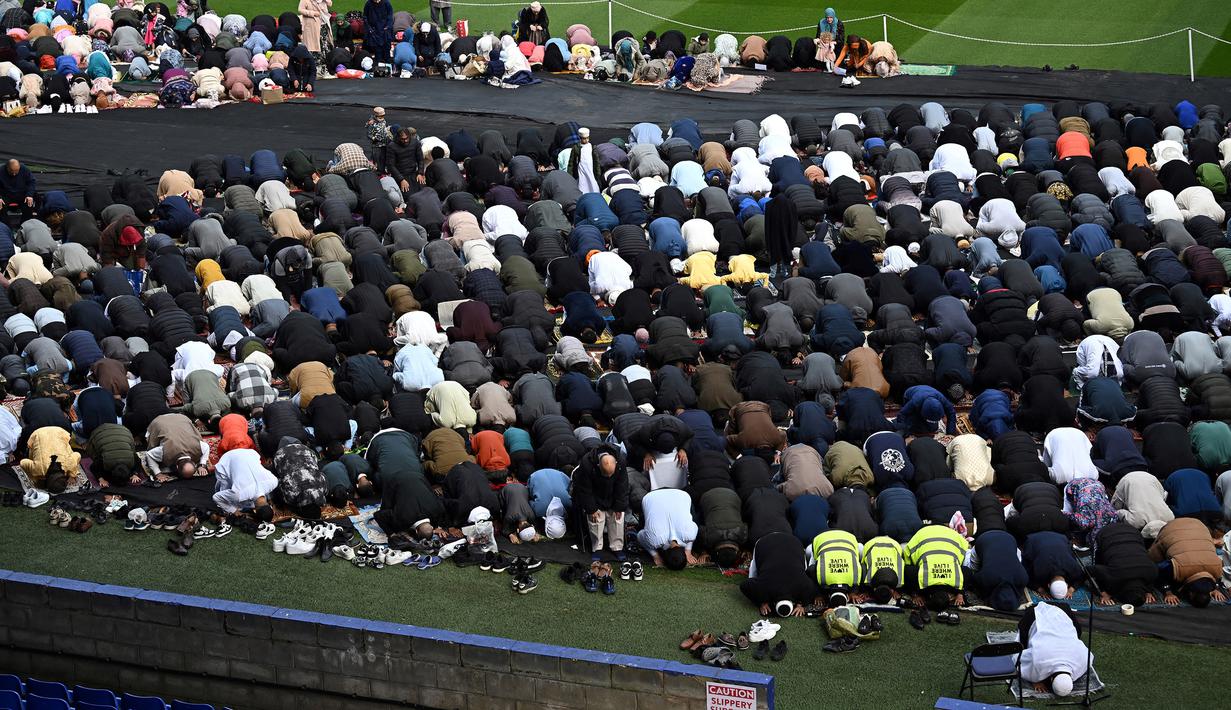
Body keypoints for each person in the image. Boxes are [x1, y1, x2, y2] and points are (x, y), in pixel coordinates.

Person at [740, 531, 820, 616]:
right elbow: (744, 585)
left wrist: (801, 605)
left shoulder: (803, 585)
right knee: (753, 576)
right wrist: (761, 602)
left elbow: (811, 589)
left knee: (803, 572)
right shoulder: (763, 587)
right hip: (768, 542)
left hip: (792, 542)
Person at [1019, 602, 1090, 697]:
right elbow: (1019, 661)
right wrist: (1034, 680)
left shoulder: (1083, 662)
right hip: (1035, 613)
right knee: (1021, 644)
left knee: (1077, 633)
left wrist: (1035, 679)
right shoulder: (1039, 661)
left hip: (1064, 610)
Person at [573, 443, 630, 561]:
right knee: (595, 519)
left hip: (613, 495)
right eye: (606, 474)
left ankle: (617, 547)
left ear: (616, 464)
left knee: (617, 517)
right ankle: (597, 547)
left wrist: (619, 506)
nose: (609, 477)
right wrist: (591, 508)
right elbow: (584, 489)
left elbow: (622, 486)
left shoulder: (621, 461)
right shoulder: (587, 463)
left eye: (611, 474)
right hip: (595, 495)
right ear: (598, 465)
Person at [637, 488, 699, 570]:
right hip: (652, 496)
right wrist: (655, 555)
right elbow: (639, 536)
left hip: (678, 494)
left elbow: (693, 529)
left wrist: (688, 550)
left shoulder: (691, 535)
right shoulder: (654, 541)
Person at [213, 447, 278, 520]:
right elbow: (216, 497)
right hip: (227, 459)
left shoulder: (274, 481)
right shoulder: (239, 494)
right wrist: (235, 511)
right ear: (255, 510)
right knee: (229, 503)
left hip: (248, 453)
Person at [363, 0, 394, 66]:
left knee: (387, 50)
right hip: (375, 31)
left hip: (385, 30)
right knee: (378, 52)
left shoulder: (386, 3)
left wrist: (388, 26)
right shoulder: (368, 3)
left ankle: (388, 67)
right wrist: (369, 28)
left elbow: (390, 16)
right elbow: (365, 17)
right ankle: (379, 69)